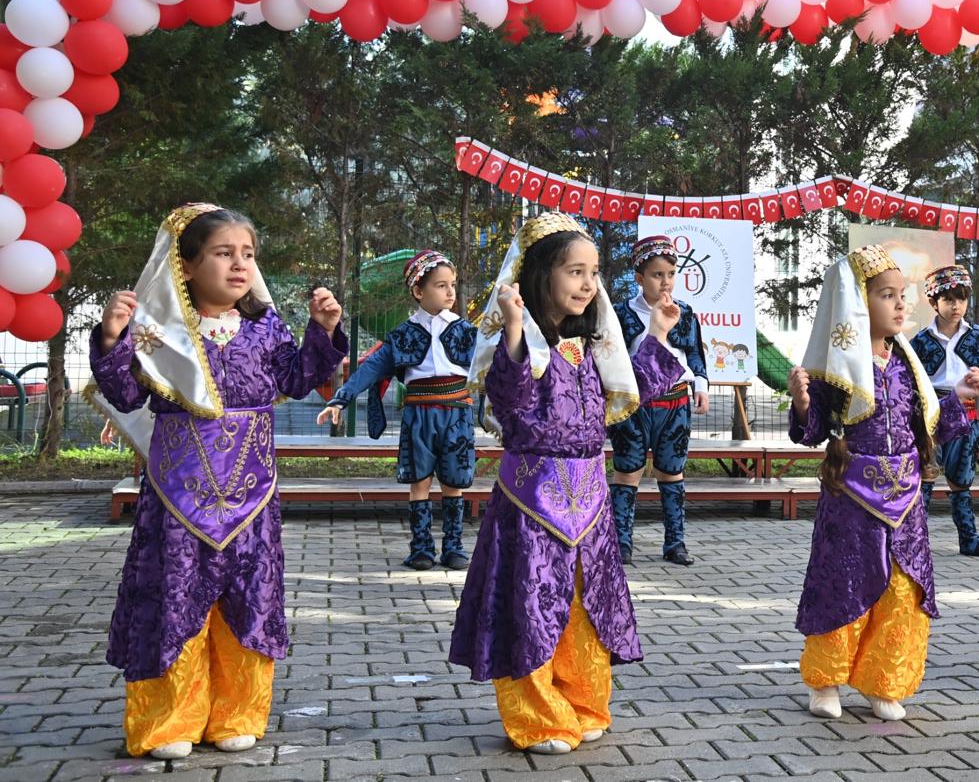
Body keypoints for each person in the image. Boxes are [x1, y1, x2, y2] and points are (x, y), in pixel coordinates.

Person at [87, 204, 346, 759]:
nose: (239, 265)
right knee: (175, 595)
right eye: (224, 253)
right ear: (184, 266)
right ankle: (169, 721)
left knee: (247, 599)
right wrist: (112, 341)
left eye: (248, 255)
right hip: (178, 498)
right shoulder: (159, 334)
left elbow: (298, 379)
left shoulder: (264, 326)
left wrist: (323, 332)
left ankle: (237, 712)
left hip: (251, 499)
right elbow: (129, 397)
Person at [449, 213, 683, 755]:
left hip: (591, 502)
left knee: (585, 608)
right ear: (539, 276)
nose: (587, 284)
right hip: (531, 501)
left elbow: (628, 392)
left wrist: (659, 336)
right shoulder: (528, 348)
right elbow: (508, 404)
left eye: (593, 273)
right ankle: (538, 715)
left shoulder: (590, 345)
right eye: (575, 271)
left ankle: (583, 701)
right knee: (530, 603)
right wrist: (512, 329)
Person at [786, 244, 979, 722]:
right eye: (887, 296)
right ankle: (825, 680)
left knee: (900, 591)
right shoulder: (835, 369)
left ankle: (883, 681)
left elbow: (925, 425)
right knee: (844, 584)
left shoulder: (906, 363)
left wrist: (957, 398)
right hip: (851, 496)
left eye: (903, 295)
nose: (901, 305)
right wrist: (803, 403)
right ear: (857, 304)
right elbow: (811, 433)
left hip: (906, 499)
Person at [319, 250, 478, 569]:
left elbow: (496, 364)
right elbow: (369, 369)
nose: (450, 292)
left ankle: (454, 546)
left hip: (457, 412)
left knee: (453, 481)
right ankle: (421, 547)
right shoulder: (402, 336)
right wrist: (341, 399)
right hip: (419, 415)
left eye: (453, 285)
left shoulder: (466, 331)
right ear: (419, 291)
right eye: (441, 285)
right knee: (419, 481)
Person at [609, 235, 710, 566]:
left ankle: (675, 543)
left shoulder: (685, 312)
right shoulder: (620, 314)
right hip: (635, 405)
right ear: (639, 278)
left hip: (675, 402)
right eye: (656, 275)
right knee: (628, 470)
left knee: (672, 472)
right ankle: (621, 542)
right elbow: (614, 359)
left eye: (670, 274)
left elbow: (694, 353)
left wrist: (701, 384)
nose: (665, 281)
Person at [909, 264, 979, 559]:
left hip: (967, 414)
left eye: (962, 299)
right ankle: (915, 541)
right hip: (931, 415)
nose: (957, 306)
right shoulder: (920, 342)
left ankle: (969, 540)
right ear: (933, 303)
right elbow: (912, 383)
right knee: (926, 474)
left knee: (962, 479)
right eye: (950, 299)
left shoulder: (977, 337)